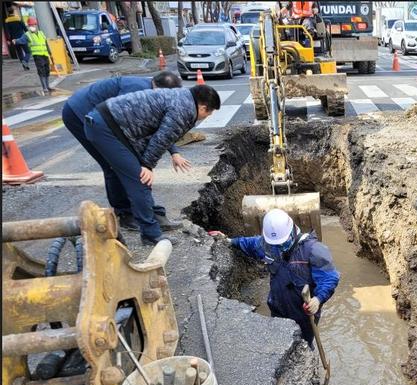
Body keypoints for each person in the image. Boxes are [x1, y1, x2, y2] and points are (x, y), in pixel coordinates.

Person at [83, 84, 221, 245]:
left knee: (133, 174)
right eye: (209, 112)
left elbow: (157, 130)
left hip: (110, 125)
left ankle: (155, 216)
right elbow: (161, 138)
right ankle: (151, 234)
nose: (207, 116)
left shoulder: (181, 96)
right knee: (140, 179)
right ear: (203, 107)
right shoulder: (185, 110)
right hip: (106, 129)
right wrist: (147, 165)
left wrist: (168, 155)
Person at [62, 72, 190, 232]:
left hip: (103, 118)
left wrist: (174, 152)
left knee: (133, 164)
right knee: (113, 164)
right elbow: (121, 126)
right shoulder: (136, 91)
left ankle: (148, 211)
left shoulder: (155, 94)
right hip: (79, 114)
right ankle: (125, 214)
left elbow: (160, 125)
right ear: (159, 88)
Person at [212, 209, 340, 346]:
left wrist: (318, 299)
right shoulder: (268, 246)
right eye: (276, 244)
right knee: (280, 344)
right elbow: (249, 244)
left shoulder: (314, 250)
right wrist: (229, 240)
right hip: (278, 307)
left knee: (302, 347)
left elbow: (329, 278)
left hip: (304, 314)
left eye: (282, 243)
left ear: (292, 231)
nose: (280, 248)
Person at [12, 17, 53, 94]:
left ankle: (48, 86)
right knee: (41, 71)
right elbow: (22, 40)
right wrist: (15, 41)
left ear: (36, 25)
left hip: (45, 54)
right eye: (30, 25)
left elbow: (46, 43)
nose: (32, 27)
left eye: (33, 25)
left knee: (47, 70)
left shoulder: (41, 33)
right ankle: (44, 88)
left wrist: (50, 53)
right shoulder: (27, 34)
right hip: (37, 56)